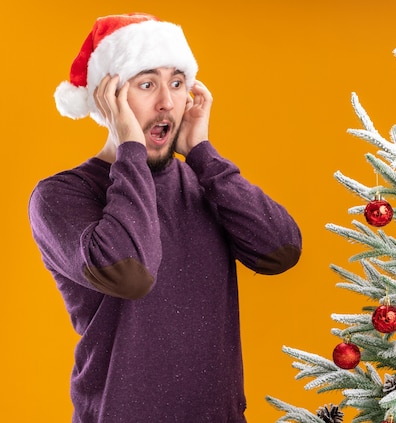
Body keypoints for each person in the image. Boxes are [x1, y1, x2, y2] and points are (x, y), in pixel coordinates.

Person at [28, 13, 302, 422]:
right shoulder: (60, 195)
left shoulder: (205, 181)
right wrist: (131, 150)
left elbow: (281, 251)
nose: (166, 102)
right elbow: (130, 272)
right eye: (146, 83)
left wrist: (203, 154)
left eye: (177, 83)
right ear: (109, 98)